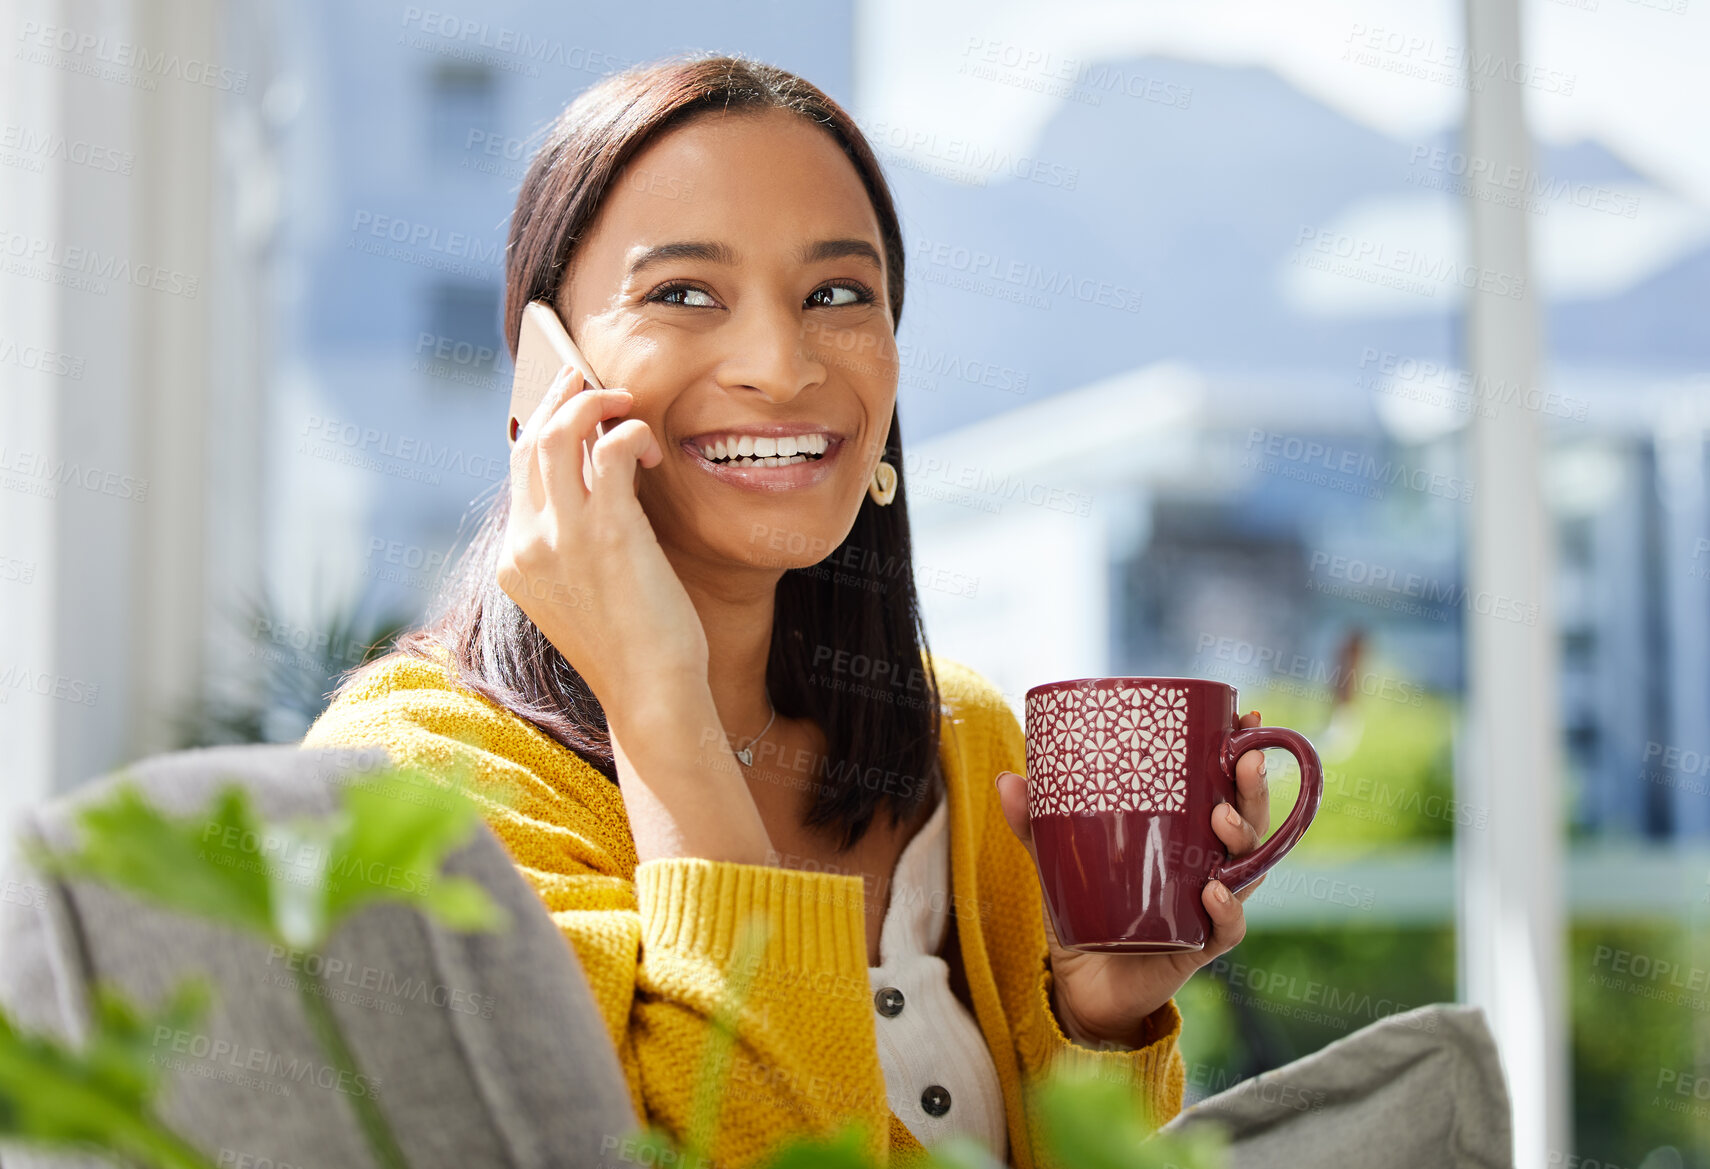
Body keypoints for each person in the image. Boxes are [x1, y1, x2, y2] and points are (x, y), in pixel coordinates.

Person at [304, 53, 1272, 1169]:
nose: (780, 364)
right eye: (682, 293)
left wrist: (1097, 1024)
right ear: (545, 373)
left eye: (838, 295)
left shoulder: (966, 742)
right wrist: (662, 707)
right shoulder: (413, 788)